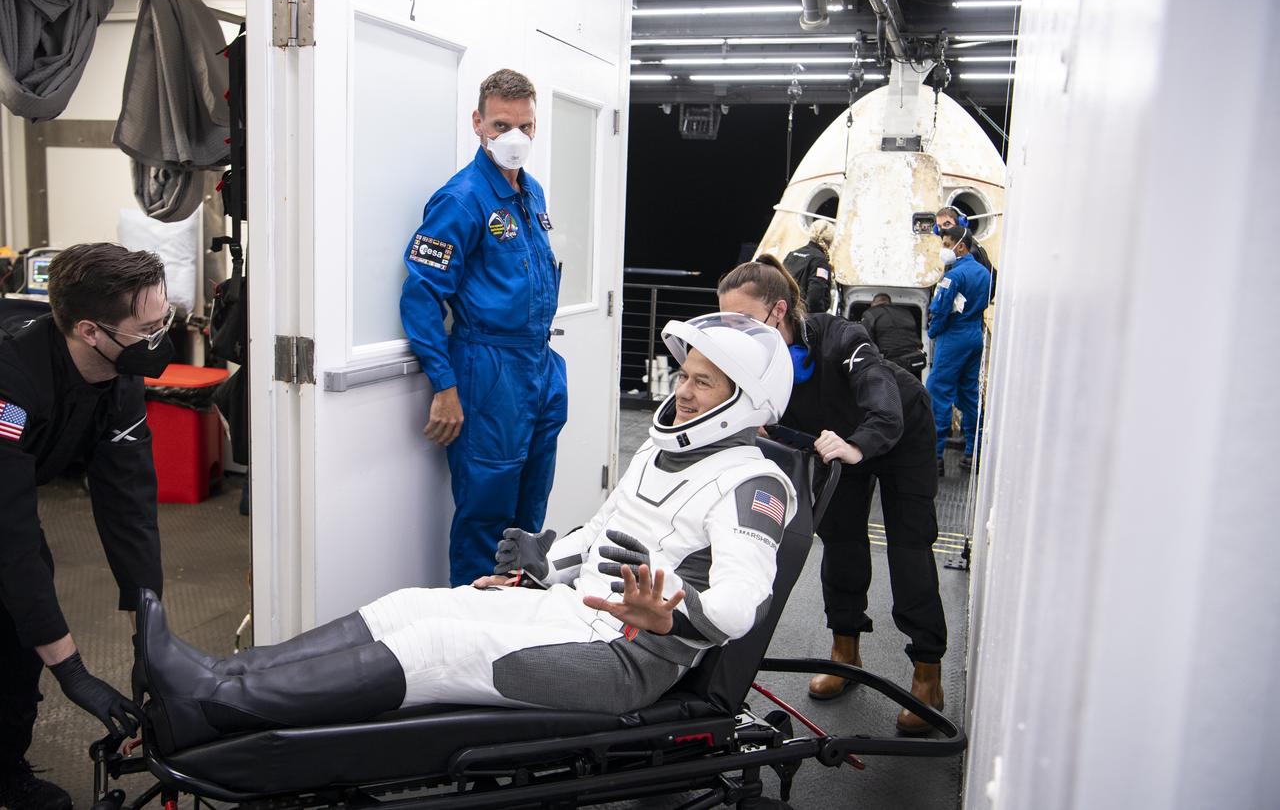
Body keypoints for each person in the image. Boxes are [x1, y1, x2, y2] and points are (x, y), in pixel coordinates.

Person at [137, 313, 797, 752]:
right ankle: (222, 674)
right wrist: (547, 557)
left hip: (626, 658)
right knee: (408, 604)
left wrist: (669, 609)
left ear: (747, 400)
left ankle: (215, 704)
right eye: (684, 375)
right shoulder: (662, 451)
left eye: (702, 382)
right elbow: (601, 533)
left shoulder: (756, 484)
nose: (683, 391)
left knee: (435, 646)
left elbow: (741, 603)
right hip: (574, 611)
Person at [719, 257, 946, 735]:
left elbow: (881, 395)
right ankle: (845, 649)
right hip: (833, 445)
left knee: (909, 546)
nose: (734, 334)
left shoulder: (841, 338)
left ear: (777, 311)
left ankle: (927, 672)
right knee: (840, 540)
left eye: (742, 322)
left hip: (897, 430)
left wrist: (858, 444)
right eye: (727, 323)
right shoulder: (756, 364)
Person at [0, 244, 172, 810]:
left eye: (163, 320)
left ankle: (5, 770)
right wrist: (73, 671)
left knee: (22, 638)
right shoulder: (11, 377)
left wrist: (148, 639)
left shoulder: (118, 377)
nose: (159, 339)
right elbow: (11, 536)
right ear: (90, 330)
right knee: (21, 593)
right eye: (146, 328)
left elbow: (130, 506)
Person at [400, 69, 568, 587]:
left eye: (525, 126)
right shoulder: (462, 199)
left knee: (529, 518)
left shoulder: (531, 193)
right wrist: (444, 385)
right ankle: (473, 645)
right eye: (501, 125)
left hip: (539, 366)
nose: (514, 137)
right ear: (478, 123)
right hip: (489, 372)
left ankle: (519, 629)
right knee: (487, 518)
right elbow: (421, 294)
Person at [927, 225, 992, 475]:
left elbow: (941, 309)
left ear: (961, 246)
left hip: (953, 338)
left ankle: (936, 457)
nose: (944, 249)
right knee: (970, 395)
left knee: (938, 393)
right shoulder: (985, 274)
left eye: (946, 244)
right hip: (974, 335)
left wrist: (933, 332)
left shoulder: (952, 276)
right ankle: (972, 453)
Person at [860, 293, 926, 380]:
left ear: (872, 304)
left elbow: (866, 339)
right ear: (889, 302)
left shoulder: (869, 313)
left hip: (891, 361)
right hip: (914, 359)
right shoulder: (906, 312)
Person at [934, 206, 995, 291]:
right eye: (939, 227)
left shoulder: (967, 251)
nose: (942, 230)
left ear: (960, 224)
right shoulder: (955, 249)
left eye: (947, 224)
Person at [782, 218, 834, 314]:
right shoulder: (820, 261)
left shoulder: (792, 254)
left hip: (784, 312)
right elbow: (815, 297)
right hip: (802, 317)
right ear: (830, 240)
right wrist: (817, 320)